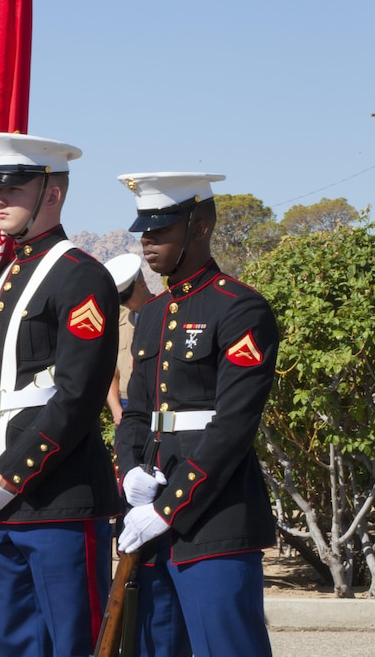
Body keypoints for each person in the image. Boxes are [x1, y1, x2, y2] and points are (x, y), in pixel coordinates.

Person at [0, 132, 120, 656]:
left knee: (73, 642)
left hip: (56, 497)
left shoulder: (80, 275)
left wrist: (9, 474)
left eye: (14, 188)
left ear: (52, 194)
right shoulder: (5, 274)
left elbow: (77, 394)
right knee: (15, 644)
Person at [114, 172, 280, 657]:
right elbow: (136, 412)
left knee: (225, 647)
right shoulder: (153, 313)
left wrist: (169, 508)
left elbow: (232, 426)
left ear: (200, 226)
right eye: (144, 230)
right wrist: (129, 474)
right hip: (148, 514)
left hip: (215, 515)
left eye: (161, 229)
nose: (148, 241)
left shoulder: (240, 308)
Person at [103, 252, 154, 426]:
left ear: (141, 284)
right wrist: (117, 410)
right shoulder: (118, 325)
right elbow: (110, 373)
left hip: (157, 403)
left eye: (125, 296)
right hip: (126, 405)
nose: (123, 303)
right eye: (118, 299)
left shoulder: (168, 315)